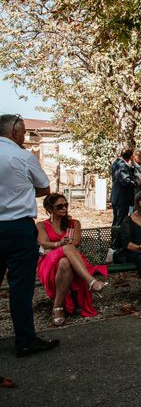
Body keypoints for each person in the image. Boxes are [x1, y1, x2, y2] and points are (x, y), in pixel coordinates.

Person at [0, 114, 59, 357]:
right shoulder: (21, 156)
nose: (24, 137)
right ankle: (24, 340)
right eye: (23, 132)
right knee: (20, 286)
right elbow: (45, 187)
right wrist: (21, 190)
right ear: (14, 133)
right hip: (17, 227)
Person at [36, 194, 109, 325]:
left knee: (65, 262)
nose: (64, 208)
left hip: (71, 260)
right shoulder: (41, 225)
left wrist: (55, 246)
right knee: (67, 248)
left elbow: (76, 242)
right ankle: (91, 282)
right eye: (59, 206)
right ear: (49, 208)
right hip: (49, 262)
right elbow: (43, 242)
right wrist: (58, 244)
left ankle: (57, 307)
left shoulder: (74, 223)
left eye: (66, 205)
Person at [110, 149, 140, 226]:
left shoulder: (116, 163)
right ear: (131, 156)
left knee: (116, 219)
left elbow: (128, 171)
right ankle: (118, 238)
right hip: (122, 197)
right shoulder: (122, 165)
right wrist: (137, 183)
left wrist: (132, 164)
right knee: (121, 220)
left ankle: (114, 237)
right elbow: (126, 181)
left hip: (116, 196)